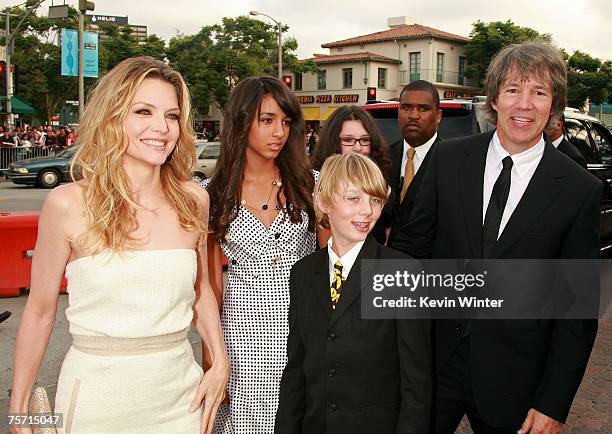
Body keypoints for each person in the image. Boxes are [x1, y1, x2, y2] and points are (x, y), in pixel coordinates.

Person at [9, 56, 230, 434]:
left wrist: (219, 363)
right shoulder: (67, 205)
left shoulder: (194, 199)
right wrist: (19, 410)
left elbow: (201, 291)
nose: (161, 128)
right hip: (95, 400)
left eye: (172, 116)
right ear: (112, 117)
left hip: (181, 399)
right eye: (143, 111)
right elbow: (40, 311)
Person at [393, 41, 601, 433]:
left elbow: (577, 310)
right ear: (494, 98)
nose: (524, 105)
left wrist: (553, 403)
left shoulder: (577, 189)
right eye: (512, 90)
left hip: (517, 382)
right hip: (435, 365)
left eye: (538, 92)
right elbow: (410, 250)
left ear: (553, 103)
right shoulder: (448, 160)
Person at [274, 153, 432, 433]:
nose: (367, 211)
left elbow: (416, 384)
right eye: (353, 198)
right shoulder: (303, 273)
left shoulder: (402, 273)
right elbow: (296, 370)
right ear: (323, 202)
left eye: (375, 200)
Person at [202, 76, 317, 433]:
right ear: (241, 121)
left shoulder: (310, 184)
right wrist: (212, 359)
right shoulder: (212, 194)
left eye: (285, 122)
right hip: (242, 337)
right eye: (267, 120)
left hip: (303, 328)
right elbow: (209, 285)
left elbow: (331, 266)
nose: (279, 132)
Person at [310, 105, 392, 245]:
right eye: (348, 140)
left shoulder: (382, 180)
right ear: (333, 142)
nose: (358, 147)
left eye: (365, 140)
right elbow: (329, 248)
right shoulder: (318, 183)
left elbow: (387, 233)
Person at [387, 80, 442, 248]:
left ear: (438, 116)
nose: (413, 115)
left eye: (423, 108)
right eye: (406, 108)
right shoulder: (382, 157)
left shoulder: (452, 162)